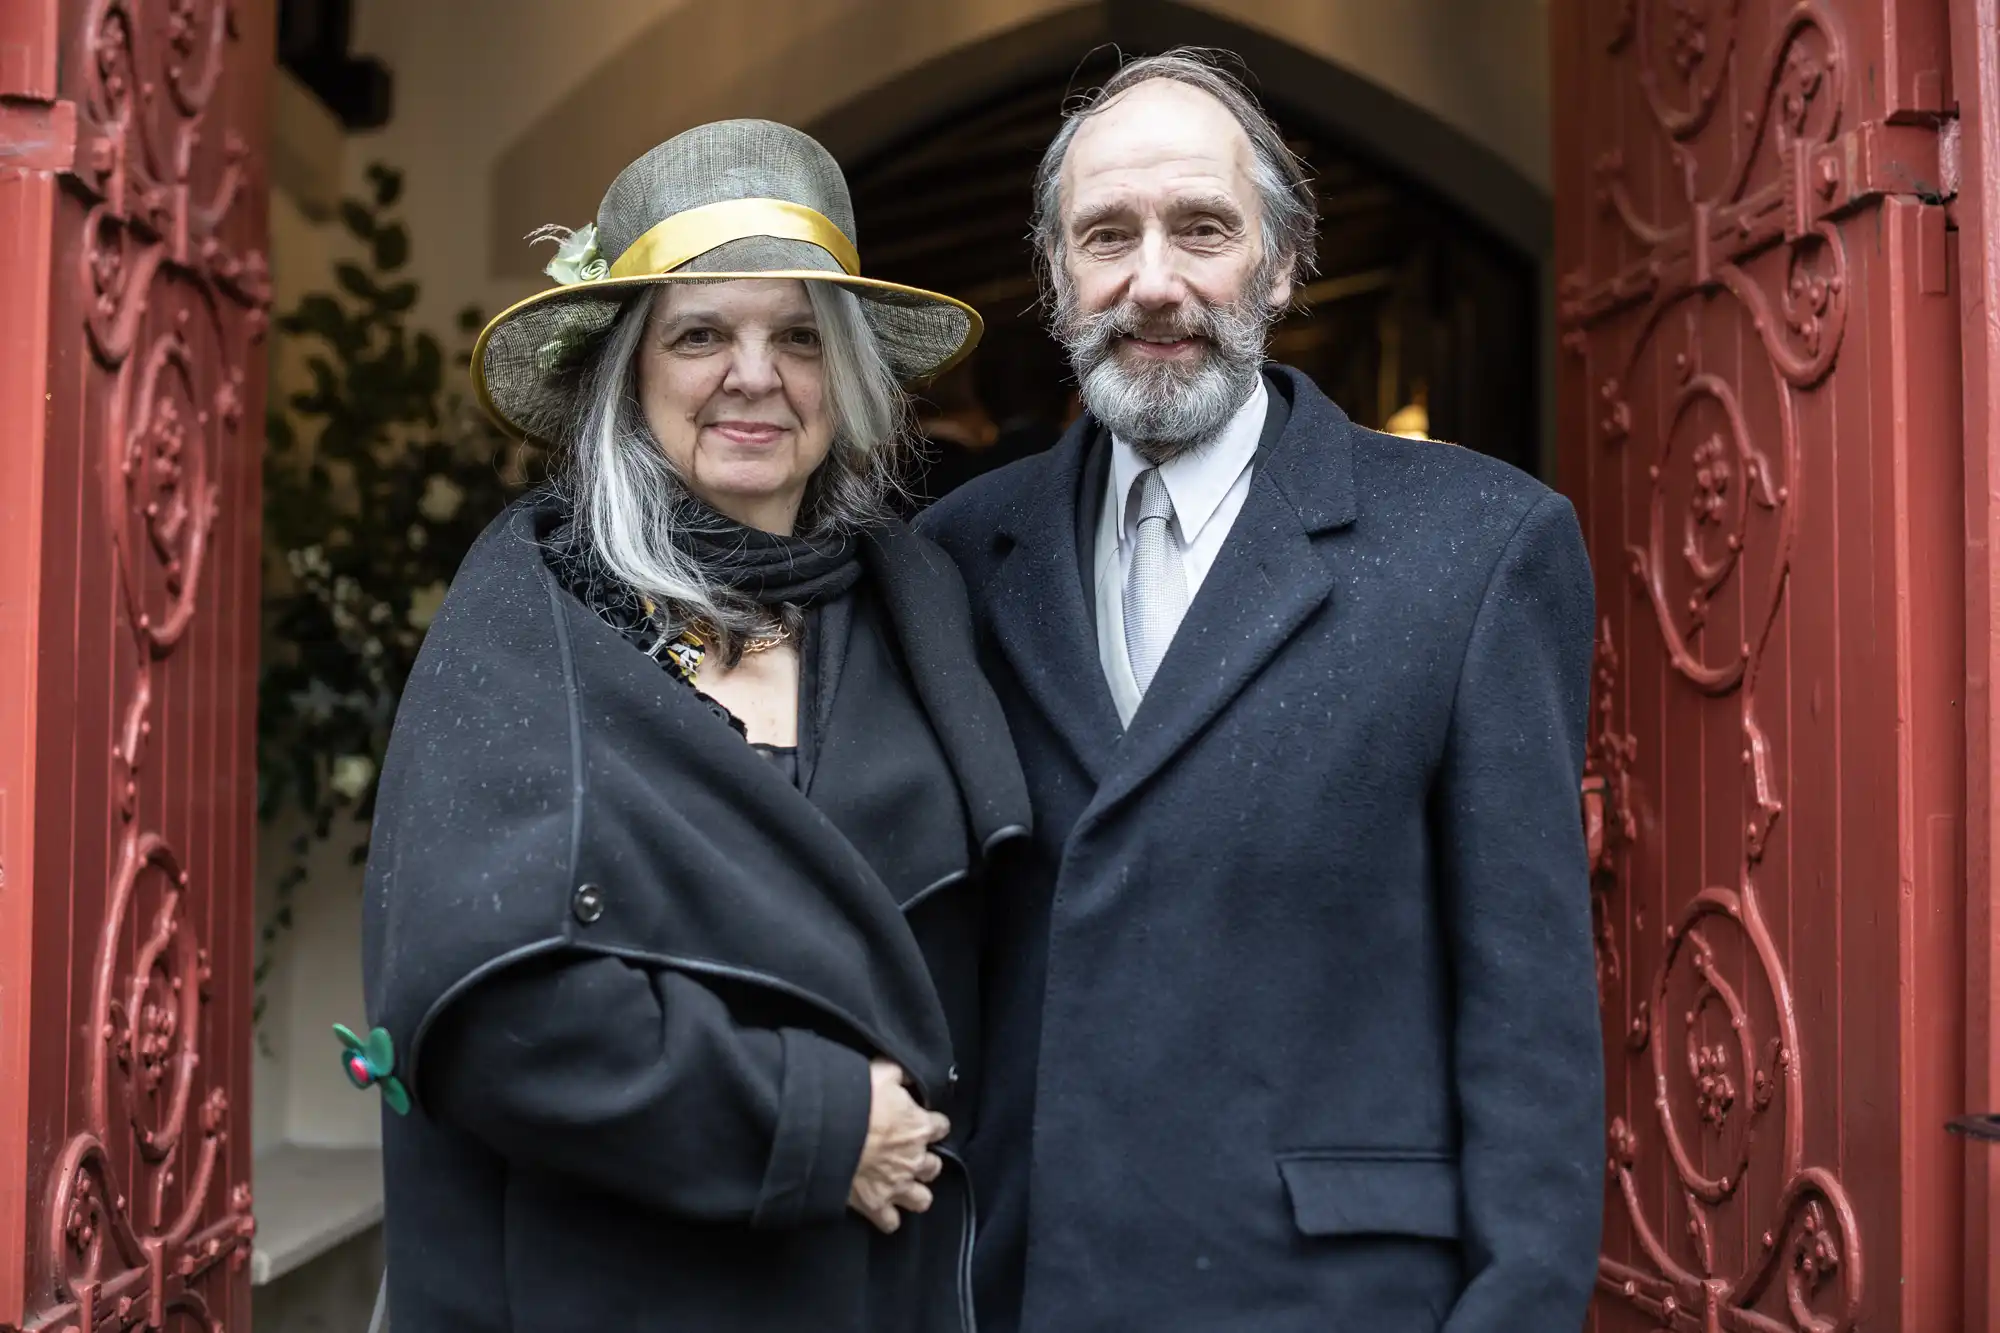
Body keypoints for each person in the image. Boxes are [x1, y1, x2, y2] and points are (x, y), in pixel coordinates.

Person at [921, 50, 1604, 1333]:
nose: (1154, 281)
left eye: (1202, 229)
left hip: (1335, 1298)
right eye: (1105, 236)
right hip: (1029, 1286)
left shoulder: (1475, 546)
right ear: (1058, 276)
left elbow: (1531, 1020)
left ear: (1283, 263)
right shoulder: (958, 555)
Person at [357, 119, 1030, 1333]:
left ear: (848, 378)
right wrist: (814, 1123)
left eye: (797, 337)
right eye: (701, 333)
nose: (753, 374)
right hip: (609, 1289)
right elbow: (492, 1015)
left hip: (881, 1293)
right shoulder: (531, 617)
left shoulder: (916, 606)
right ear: (629, 372)